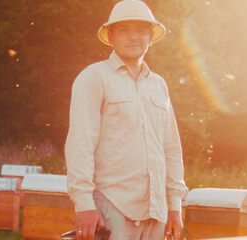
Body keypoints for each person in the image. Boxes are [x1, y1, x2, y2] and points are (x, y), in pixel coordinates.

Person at [65, 1, 188, 239]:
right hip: (112, 206)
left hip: (157, 211)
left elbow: (171, 149)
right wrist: (83, 204)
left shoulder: (159, 85)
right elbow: (81, 144)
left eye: (141, 30)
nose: (134, 37)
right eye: (124, 30)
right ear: (111, 36)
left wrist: (174, 205)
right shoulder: (93, 78)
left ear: (150, 37)